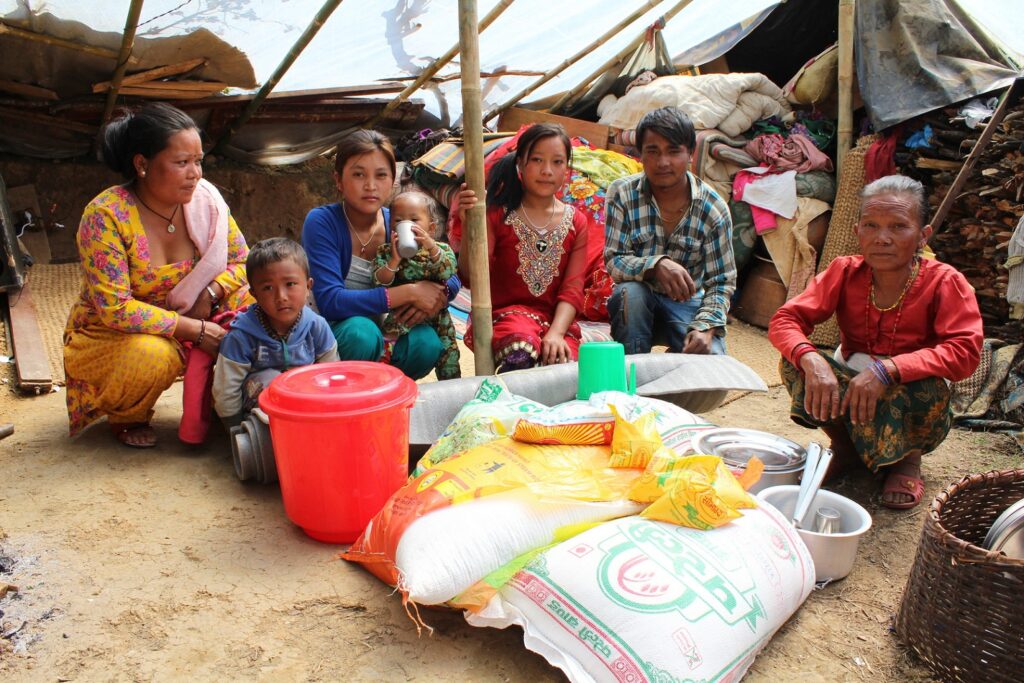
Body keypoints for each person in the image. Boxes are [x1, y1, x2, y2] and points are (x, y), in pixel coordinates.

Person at [768, 175, 983, 509]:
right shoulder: (844, 271)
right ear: (857, 232)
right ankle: (846, 448)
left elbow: (965, 352)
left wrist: (889, 370)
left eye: (898, 227)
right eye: (871, 225)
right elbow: (785, 320)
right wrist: (811, 360)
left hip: (911, 385)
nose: (882, 238)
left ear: (922, 235)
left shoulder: (946, 281)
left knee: (929, 391)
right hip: (854, 375)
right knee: (795, 364)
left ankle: (907, 461)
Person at [64, 102, 252, 448]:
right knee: (151, 355)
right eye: (181, 163)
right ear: (142, 164)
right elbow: (116, 309)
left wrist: (208, 295)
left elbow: (243, 262)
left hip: (198, 313)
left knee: (260, 301)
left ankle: (225, 403)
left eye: (198, 161)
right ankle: (127, 414)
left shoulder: (206, 203)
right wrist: (192, 329)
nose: (195, 173)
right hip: (117, 334)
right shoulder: (106, 216)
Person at [301, 129, 460, 380]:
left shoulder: (400, 223)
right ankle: (348, 399)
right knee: (361, 333)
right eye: (358, 174)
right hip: (335, 334)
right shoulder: (323, 222)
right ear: (338, 180)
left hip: (387, 332)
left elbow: (450, 274)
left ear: (393, 179)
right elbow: (331, 301)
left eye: (381, 175)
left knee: (426, 342)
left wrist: (437, 297)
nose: (370, 186)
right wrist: (409, 293)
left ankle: (390, 394)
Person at [456, 123, 589, 371]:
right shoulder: (497, 214)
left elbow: (573, 289)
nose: (547, 170)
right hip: (505, 318)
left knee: (567, 364)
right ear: (519, 164)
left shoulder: (576, 222)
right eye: (537, 160)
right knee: (521, 347)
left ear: (566, 169)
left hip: (556, 323)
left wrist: (557, 334)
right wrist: (469, 229)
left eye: (557, 162)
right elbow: (472, 276)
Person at [604, 106, 736, 355]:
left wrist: (705, 328)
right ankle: (633, 371)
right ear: (640, 154)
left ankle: (676, 357)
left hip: (688, 305)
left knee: (713, 364)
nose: (663, 162)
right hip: (636, 305)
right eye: (652, 151)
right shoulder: (621, 194)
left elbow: (722, 282)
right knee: (629, 294)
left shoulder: (714, 208)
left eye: (673, 151)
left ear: (691, 155)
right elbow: (614, 260)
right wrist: (656, 265)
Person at [212, 238, 338, 428]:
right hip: (261, 414)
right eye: (268, 288)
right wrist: (235, 428)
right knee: (270, 380)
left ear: (308, 286)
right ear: (254, 294)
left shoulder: (316, 326)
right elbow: (226, 390)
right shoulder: (241, 336)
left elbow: (331, 374)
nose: (281, 297)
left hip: (308, 407)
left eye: (290, 284)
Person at [372, 191, 460, 380]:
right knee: (387, 345)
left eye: (414, 220)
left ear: (431, 228)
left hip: (438, 316)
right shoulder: (387, 252)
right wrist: (394, 261)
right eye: (398, 221)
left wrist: (432, 247)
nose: (406, 225)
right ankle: (382, 379)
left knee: (449, 353)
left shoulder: (440, 249)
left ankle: (451, 386)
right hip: (402, 313)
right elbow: (380, 280)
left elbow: (449, 271)